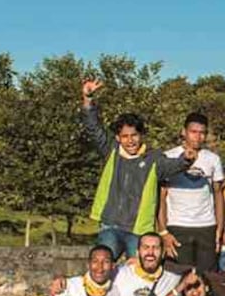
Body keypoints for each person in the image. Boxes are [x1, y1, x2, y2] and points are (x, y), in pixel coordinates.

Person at [79, 79, 195, 260]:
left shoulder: (153, 158)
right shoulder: (111, 151)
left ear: (141, 135)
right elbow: (94, 128)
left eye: (134, 135)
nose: (130, 140)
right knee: (102, 262)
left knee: (139, 274)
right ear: (118, 138)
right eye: (125, 136)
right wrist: (88, 99)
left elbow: (172, 166)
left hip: (138, 229)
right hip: (110, 225)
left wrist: (186, 160)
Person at [158, 112, 225, 272]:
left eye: (202, 133)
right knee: (179, 276)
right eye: (193, 132)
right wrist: (163, 231)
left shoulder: (213, 159)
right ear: (184, 132)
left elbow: (218, 195)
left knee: (208, 277)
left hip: (206, 226)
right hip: (178, 226)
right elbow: (161, 197)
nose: (198, 137)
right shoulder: (169, 156)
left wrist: (219, 230)